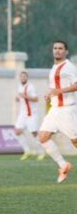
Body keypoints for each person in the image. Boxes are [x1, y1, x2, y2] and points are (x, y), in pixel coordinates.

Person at [39, 40, 77, 183]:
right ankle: (63, 165)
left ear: (66, 51)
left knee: (75, 142)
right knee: (43, 137)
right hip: (55, 110)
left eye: (60, 48)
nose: (57, 51)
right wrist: (50, 95)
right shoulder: (54, 68)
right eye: (55, 48)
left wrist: (59, 91)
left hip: (67, 110)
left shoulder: (69, 67)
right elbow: (55, 89)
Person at [14, 71, 45, 161]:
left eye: (24, 76)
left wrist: (25, 96)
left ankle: (41, 152)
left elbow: (36, 99)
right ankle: (27, 151)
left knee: (34, 133)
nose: (23, 78)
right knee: (17, 131)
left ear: (27, 78)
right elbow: (21, 99)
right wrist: (18, 98)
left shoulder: (30, 86)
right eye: (21, 76)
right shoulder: (20, 86)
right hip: (22, 114)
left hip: (31, 114)